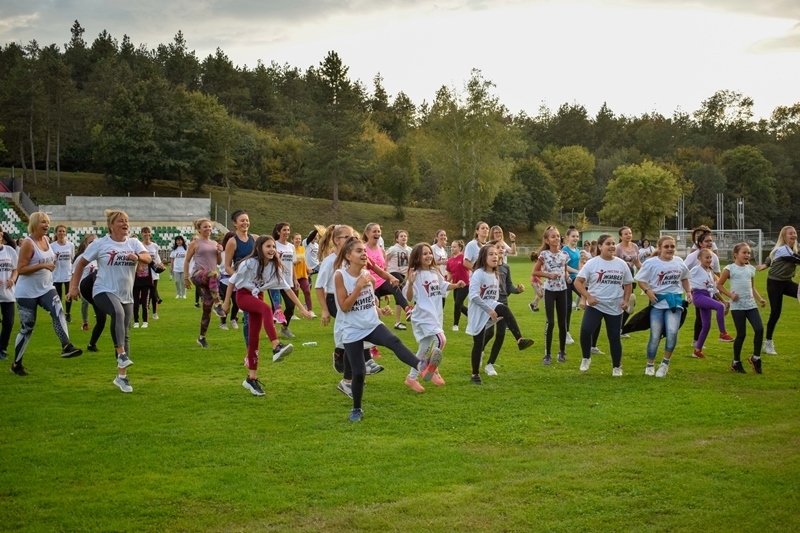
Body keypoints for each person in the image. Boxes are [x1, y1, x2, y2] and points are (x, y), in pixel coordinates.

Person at [334, 236, 440, 422]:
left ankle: (421, 366)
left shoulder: (368, 275)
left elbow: (369, 302)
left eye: (364, 251)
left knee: (394, 340)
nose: (364, 254)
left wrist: (380, 310)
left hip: (371, 324)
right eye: (359, 251)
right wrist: (358, 287)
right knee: (359, 373)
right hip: (351, 330)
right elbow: (344, 307)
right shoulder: (341, 275)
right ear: (348, 256)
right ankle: (357, 409)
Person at [68, 210, 150, 392]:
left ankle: (122, 377)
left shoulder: (133, 243)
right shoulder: (100, 244)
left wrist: (138, 257)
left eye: (127, 221)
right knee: (117, 313)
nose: (125, 223)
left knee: (125, 332)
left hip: (126, 294)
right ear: (111, 226)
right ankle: (121, 354)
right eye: (121, 221)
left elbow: (148, 258)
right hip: (103, 289)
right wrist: (74, 286)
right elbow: (81, 263)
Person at [223, 235, 309, 396]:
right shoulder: (249, 263)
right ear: (259, 248)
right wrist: (227, 302)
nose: (272, 250)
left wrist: (302, 308)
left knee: (254, 339)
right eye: (268, 246)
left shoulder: (274, 267)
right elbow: (232, 281)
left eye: (273, 247)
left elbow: (287, 289)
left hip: (258, 296)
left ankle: (251, 378)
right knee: (267, 309)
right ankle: (276, 346)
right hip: (243, 296)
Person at [314, 224, 383, 397]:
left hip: (351, 299)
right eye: (346, 237)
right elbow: (319, 287)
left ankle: (349, 370)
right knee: (354, 334)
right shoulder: (330, 261)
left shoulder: (350, 258)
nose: (351, 240)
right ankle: (355, 371)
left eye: (353, 236)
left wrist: (371, 298)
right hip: (334, 299)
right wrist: (324, 310)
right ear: (336, 240)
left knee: (353, 337)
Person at [11, 212, 82, 376]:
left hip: (46, 287)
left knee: (58, 311)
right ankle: (16, 364)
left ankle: (66, 346)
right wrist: (43, 266)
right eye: (44, 222)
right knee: (27, 328)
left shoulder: (46, 240)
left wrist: (50, 264)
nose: (47, 225)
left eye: (48, 222)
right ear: (35, 223)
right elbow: (21, 269)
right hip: (26, 292)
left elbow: (47, 260)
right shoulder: (28, 244)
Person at [466, 243, 534, 384]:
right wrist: (489, 309)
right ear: (483, 257)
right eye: (491, 254)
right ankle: (474, 375)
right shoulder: (478, 274)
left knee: (504, 308)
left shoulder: (496, 275)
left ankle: (520, 340)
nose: (494, 256)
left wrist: (496, 310)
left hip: (489, 307)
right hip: (478, 311)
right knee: (478, 343)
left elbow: (494, 298)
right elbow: (473, 296)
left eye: (496, 254)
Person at [403, 242, 463, 392]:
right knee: (441, 339)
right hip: (423, 315)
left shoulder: (435, 272)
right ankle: (432, 368)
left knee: (423, 347)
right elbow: (409, 297)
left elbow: (443, 286)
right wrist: (410, 283)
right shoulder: (415, 275)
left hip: (435, 315)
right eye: (424, 253)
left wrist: (456, 285)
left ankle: (411, 378)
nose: (429, 255)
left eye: (430, 253)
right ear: (417, 257)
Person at [573, 233, 633, 376]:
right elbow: (578, 282)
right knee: (586, 331)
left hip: (614, 306)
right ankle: (586, 358)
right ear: (600, 247)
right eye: (608, 244)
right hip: (596, 305)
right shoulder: (592, 263)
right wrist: (588, 297)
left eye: (613, 243)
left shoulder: (621, 263)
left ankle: (617, 367)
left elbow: (628, 283)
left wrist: (625, 300)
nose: (612, 246)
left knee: (614, 337)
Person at [635, 235, 691, 378]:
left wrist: (689, 292)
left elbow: (685, 277)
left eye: (672, 246)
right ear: (659, 248)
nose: (669, 249)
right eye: (666, 246)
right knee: (655, 335)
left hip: (675, 303)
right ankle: (650, 364)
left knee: (672, 332)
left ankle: (665, 364)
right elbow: (641, 279)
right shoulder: (652, 263)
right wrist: (648, 291)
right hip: (658, 303)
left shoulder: (679, 261)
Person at [717, 243, 767, 374]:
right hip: (737, 306)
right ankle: (736, 362)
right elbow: (719, 285)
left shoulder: (750, 269)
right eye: (744, 252)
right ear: (736, 254)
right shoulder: (730, 268)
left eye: (748, 253)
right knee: (742, 334)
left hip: (751, 304)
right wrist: (730, 295)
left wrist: (760, 299)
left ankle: (756, 358)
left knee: (759, 329)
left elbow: (752, 287)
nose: (747, 255)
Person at [756, 225, 800, 355]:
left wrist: (766, 264)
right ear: (784, 236)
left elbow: (771, 257)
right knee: (775, 312)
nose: (793, 235)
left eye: (794, 233)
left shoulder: (792, 249)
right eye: (790, 233)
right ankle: (768, 343)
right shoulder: (782, 249)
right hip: (775, 283)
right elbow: (794, 259)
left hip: (787, 282)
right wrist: (767, 264)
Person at [484, 242, 526, 377]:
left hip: (503, 303)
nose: (501, 249)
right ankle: (480, 350)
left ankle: (490, 364)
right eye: (498, 247)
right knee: (488, 334)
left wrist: (517, 290)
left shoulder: (506, 267)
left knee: (501, 334)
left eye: (503, 247)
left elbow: (509, 287)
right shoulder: (488, 268)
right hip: (489, 305)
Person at [184, 218, 226, 348]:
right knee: (214, 274)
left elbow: (218, 262)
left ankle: (202, 337)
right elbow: (187, 260)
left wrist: (219, 252)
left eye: (209, 227)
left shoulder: (214, 243)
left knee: (207, 309)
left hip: (211, 281)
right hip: (198, 275)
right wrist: (186, 277)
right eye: (205, 227)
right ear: (199, 229)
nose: (208, 229)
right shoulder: (195, 243)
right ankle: (218, 304)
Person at [362, 223, 412, 332]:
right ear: (367, 233)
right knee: (375, 316)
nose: (377, 233)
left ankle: (408, 309)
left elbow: (383, 269)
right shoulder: (363, 249)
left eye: (379, 231)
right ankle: (371, 345)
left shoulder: (381, 250)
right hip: (370, 285)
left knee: (395, 285)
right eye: (374, 231)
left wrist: (388, 285)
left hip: (381, 281)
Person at [533, 226, 569, 365]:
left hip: (562, 290)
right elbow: (535, 272)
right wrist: (548, 275)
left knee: (562, 323)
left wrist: (567, 276)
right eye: (553, 237)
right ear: (547, 240)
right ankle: (547, 355)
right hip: (549, 290)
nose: (556, 239)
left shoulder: (564, 255)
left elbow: (564, 270)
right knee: (551, 322)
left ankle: (561, 351)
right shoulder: (544, 255)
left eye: (558, 236)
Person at [688, 248, 732, 359]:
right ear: (699, 258)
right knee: (719, 307)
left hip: (707, 296)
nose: (709, 260)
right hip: (698, 296)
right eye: (706, 257)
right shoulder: (696, 269)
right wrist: (688, 293)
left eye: (710, 257)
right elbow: (685, 278)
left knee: (706, 325)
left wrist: (724, 300)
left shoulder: (710, 272)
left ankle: (697, 351)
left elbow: (715, 289)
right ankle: (723, 333)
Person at [223, 210, 258, 334]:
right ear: (235, 223)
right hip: (242, 284)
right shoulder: (232, 242)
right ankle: (250, 348)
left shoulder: (255, 238)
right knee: (248, 318)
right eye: (242, 220)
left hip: (256, 283)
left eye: (247, 220)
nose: (245, 223)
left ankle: (253, 348)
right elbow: (227, 266)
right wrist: (238, 277)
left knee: (257, 316)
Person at [50, 224, 75, 323]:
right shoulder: (52, 246)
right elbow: (50, 260)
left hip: (68, 274)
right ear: (56, 233)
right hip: (56, 275)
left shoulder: (70, 245)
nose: (61, 233)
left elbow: (71, 258)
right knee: (58, 296)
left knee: (69, 295)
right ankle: (59, 314)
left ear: (66, 233)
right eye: (59, 231)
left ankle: (68, 313)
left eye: (63, 231)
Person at [0, 229, 18, 361]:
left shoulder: (9, 251)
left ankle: (2, 348)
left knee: (9, 322)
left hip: (8, 294)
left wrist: (13, 279)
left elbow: (16, 269)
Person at [73, 234, 97, 332]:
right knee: (84, 302)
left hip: (96, 285)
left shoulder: (99, 256)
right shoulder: (81, 258)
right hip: (83, 285)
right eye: (90, 242)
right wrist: (74, 287)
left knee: (98, 302)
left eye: (94, 242)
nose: (92, 244)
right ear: (86, 244)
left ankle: (99, 321)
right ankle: (85, 322)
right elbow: (74, 273)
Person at [140, 227, 163, 320]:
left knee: (153, 292)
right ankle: (146, 311)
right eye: (144, 232)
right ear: (141, 234)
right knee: (145, 293)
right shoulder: (139, 245)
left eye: (148, 232)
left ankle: (154, 312)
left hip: (153, 272)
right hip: (143, 272)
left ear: (150, 234)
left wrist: (160, 264)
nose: (146, 234)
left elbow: (156, 257)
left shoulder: (154, 246)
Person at [563, 228, 581, 345]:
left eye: (577, 236)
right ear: (568, 237)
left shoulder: (577, 250)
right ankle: (566, 332)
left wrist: (581, 272)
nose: (575, 238)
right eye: (573, 236)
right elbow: (563, 265)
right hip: (566, 279)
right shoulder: (565, 250)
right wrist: (576, 271)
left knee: (586, 294)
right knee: (568, 306)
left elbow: (578, 263)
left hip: (576, 278)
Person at [446, 240, 469, 331]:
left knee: (457, 304)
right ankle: (472, 317)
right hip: (456, 285)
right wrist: (447, 281)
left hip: (465, 285)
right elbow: (450, 273)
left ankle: (455, 325)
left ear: (460, 248)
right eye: (451, 247)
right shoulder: (450, 260)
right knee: (460, 305)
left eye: (454, 247)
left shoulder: (463, 258)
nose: (452, 248)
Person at [292, 232, 316, 318]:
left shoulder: (302, 249)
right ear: (292, 240)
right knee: (295, 294)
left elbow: (304, 261)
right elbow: (288, 262)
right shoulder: (291, 249)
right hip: (294, 276)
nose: (298, 240)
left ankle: (310, 311)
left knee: (307, 292)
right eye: (296, 239)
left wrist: (307, 268)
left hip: (303, 275)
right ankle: (292, 314)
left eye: (299, 239)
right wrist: (294, 263)